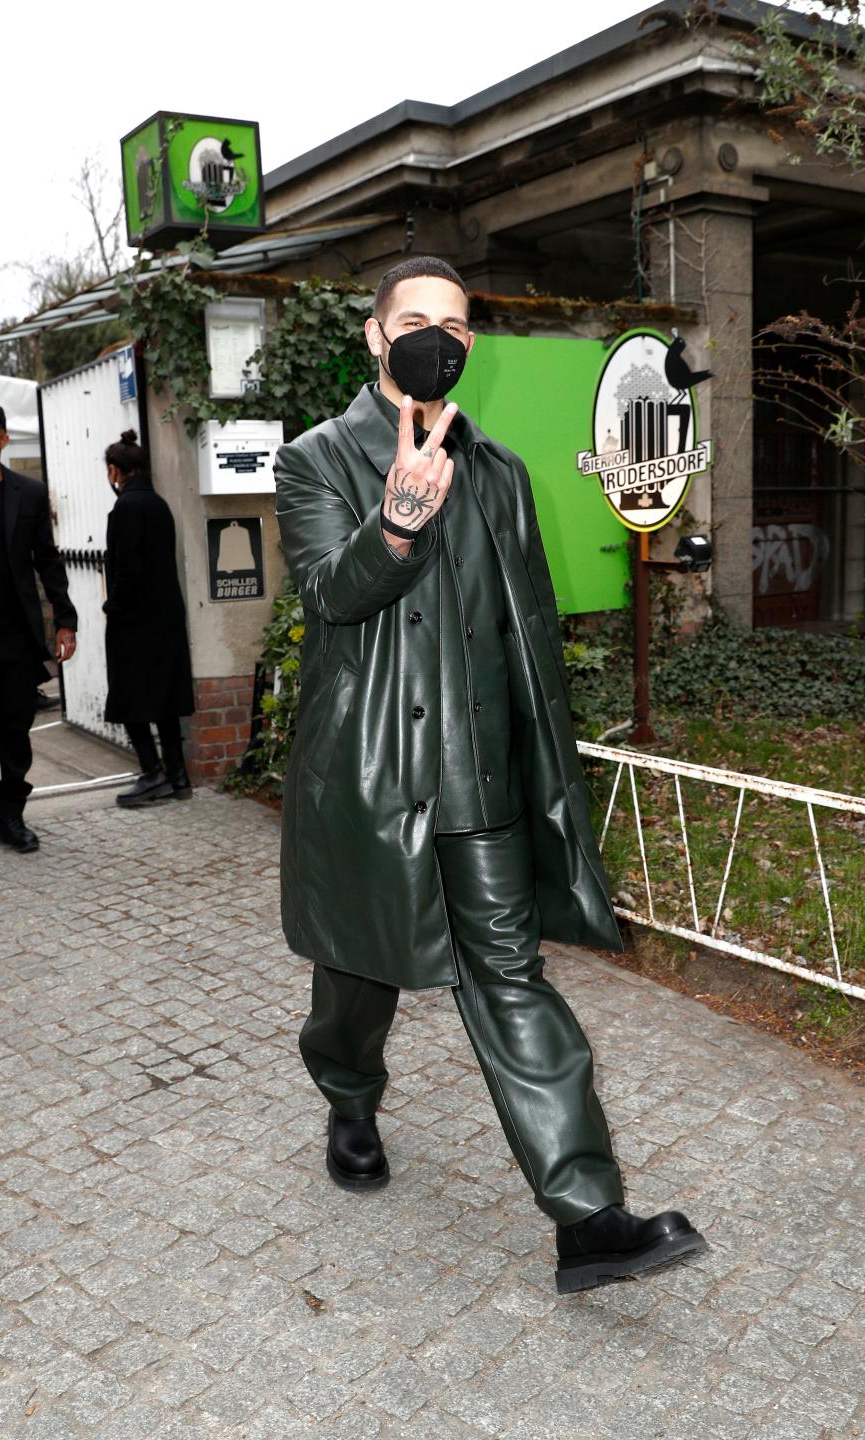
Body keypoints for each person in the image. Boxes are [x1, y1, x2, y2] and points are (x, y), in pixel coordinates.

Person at [274, 256, 704, 1295]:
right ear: (375, 338)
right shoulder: (317, 460)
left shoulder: (502, 471)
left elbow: (527, 638)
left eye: (456, 324)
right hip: (377, 777)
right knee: (358, 978)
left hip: (483, 783)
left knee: (513, 983)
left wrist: (543, 771)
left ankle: (588, 1218)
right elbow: (332, 596)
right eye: (414, 320)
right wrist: (399, 521)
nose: (437, 338)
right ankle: (348, 1091)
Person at [0, 398, 77, 853]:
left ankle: (12, 815)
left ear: (4, 439)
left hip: (17, 636)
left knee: (13, 729)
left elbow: (47, 561)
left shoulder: (27, 492)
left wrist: (65, 622)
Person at [103, 429, 194, 807]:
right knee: (165, 699)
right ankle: (177, 775)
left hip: (135, 622)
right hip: (166, 618)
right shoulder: (159, 504)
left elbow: (127, 569)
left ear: (114, 471)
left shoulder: (125, 508)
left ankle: (152, 772)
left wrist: (112, 608)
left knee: (130, 699)